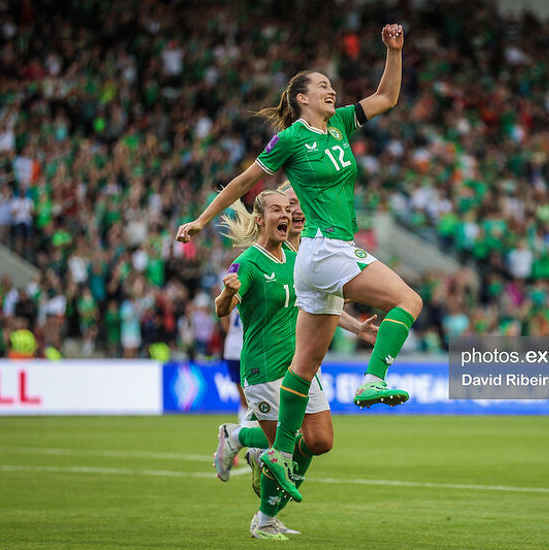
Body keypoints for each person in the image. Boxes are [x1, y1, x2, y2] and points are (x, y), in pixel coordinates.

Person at [177, 24, 422, 502]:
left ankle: (279, 452)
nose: (332, 90)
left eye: (332, 85)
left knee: (304, 365)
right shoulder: (291, 139)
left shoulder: (342, 125)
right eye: (322, 86)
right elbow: (242, 182)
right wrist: (202, 220)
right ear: (302, 98)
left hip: (312, 259)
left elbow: (387, 96)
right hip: (326, 246)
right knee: (408, 300)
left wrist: (394, 51)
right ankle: (374, 378)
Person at [212, 190, 377, 539]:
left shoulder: (296, 257)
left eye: (288, 209)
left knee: (320, 441)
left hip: (300, 368)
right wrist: (227, 292)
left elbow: (320, 302)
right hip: (265, 369)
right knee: (284, 447)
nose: (287, 215)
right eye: (278, 210)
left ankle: (238, 434)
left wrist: (357, 327)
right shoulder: (249, 263)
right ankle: (265, 519)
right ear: (260, 219)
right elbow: (222, 310)